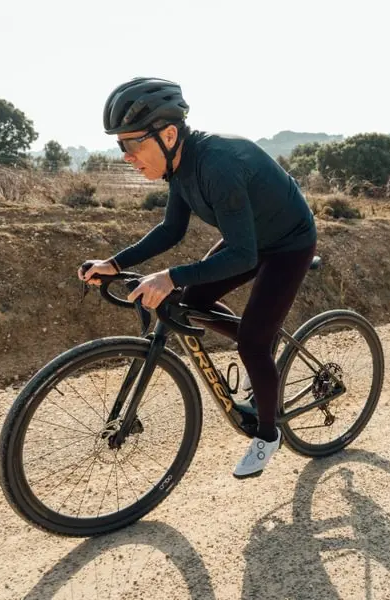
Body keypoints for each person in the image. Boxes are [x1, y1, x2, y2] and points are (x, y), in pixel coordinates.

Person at [78, 77, 317, 479]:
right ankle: (262, 338)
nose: (126, 155)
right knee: (194, 302)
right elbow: (171, 230)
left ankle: (269, 432)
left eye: (133, 143)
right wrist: (115, 263)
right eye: (121, 145)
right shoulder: (181, 167)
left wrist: (169, 276)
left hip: (288, 244)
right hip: (253, 239)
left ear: (169, 134)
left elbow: (243, 256)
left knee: (252, 343)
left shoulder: (219, 165)